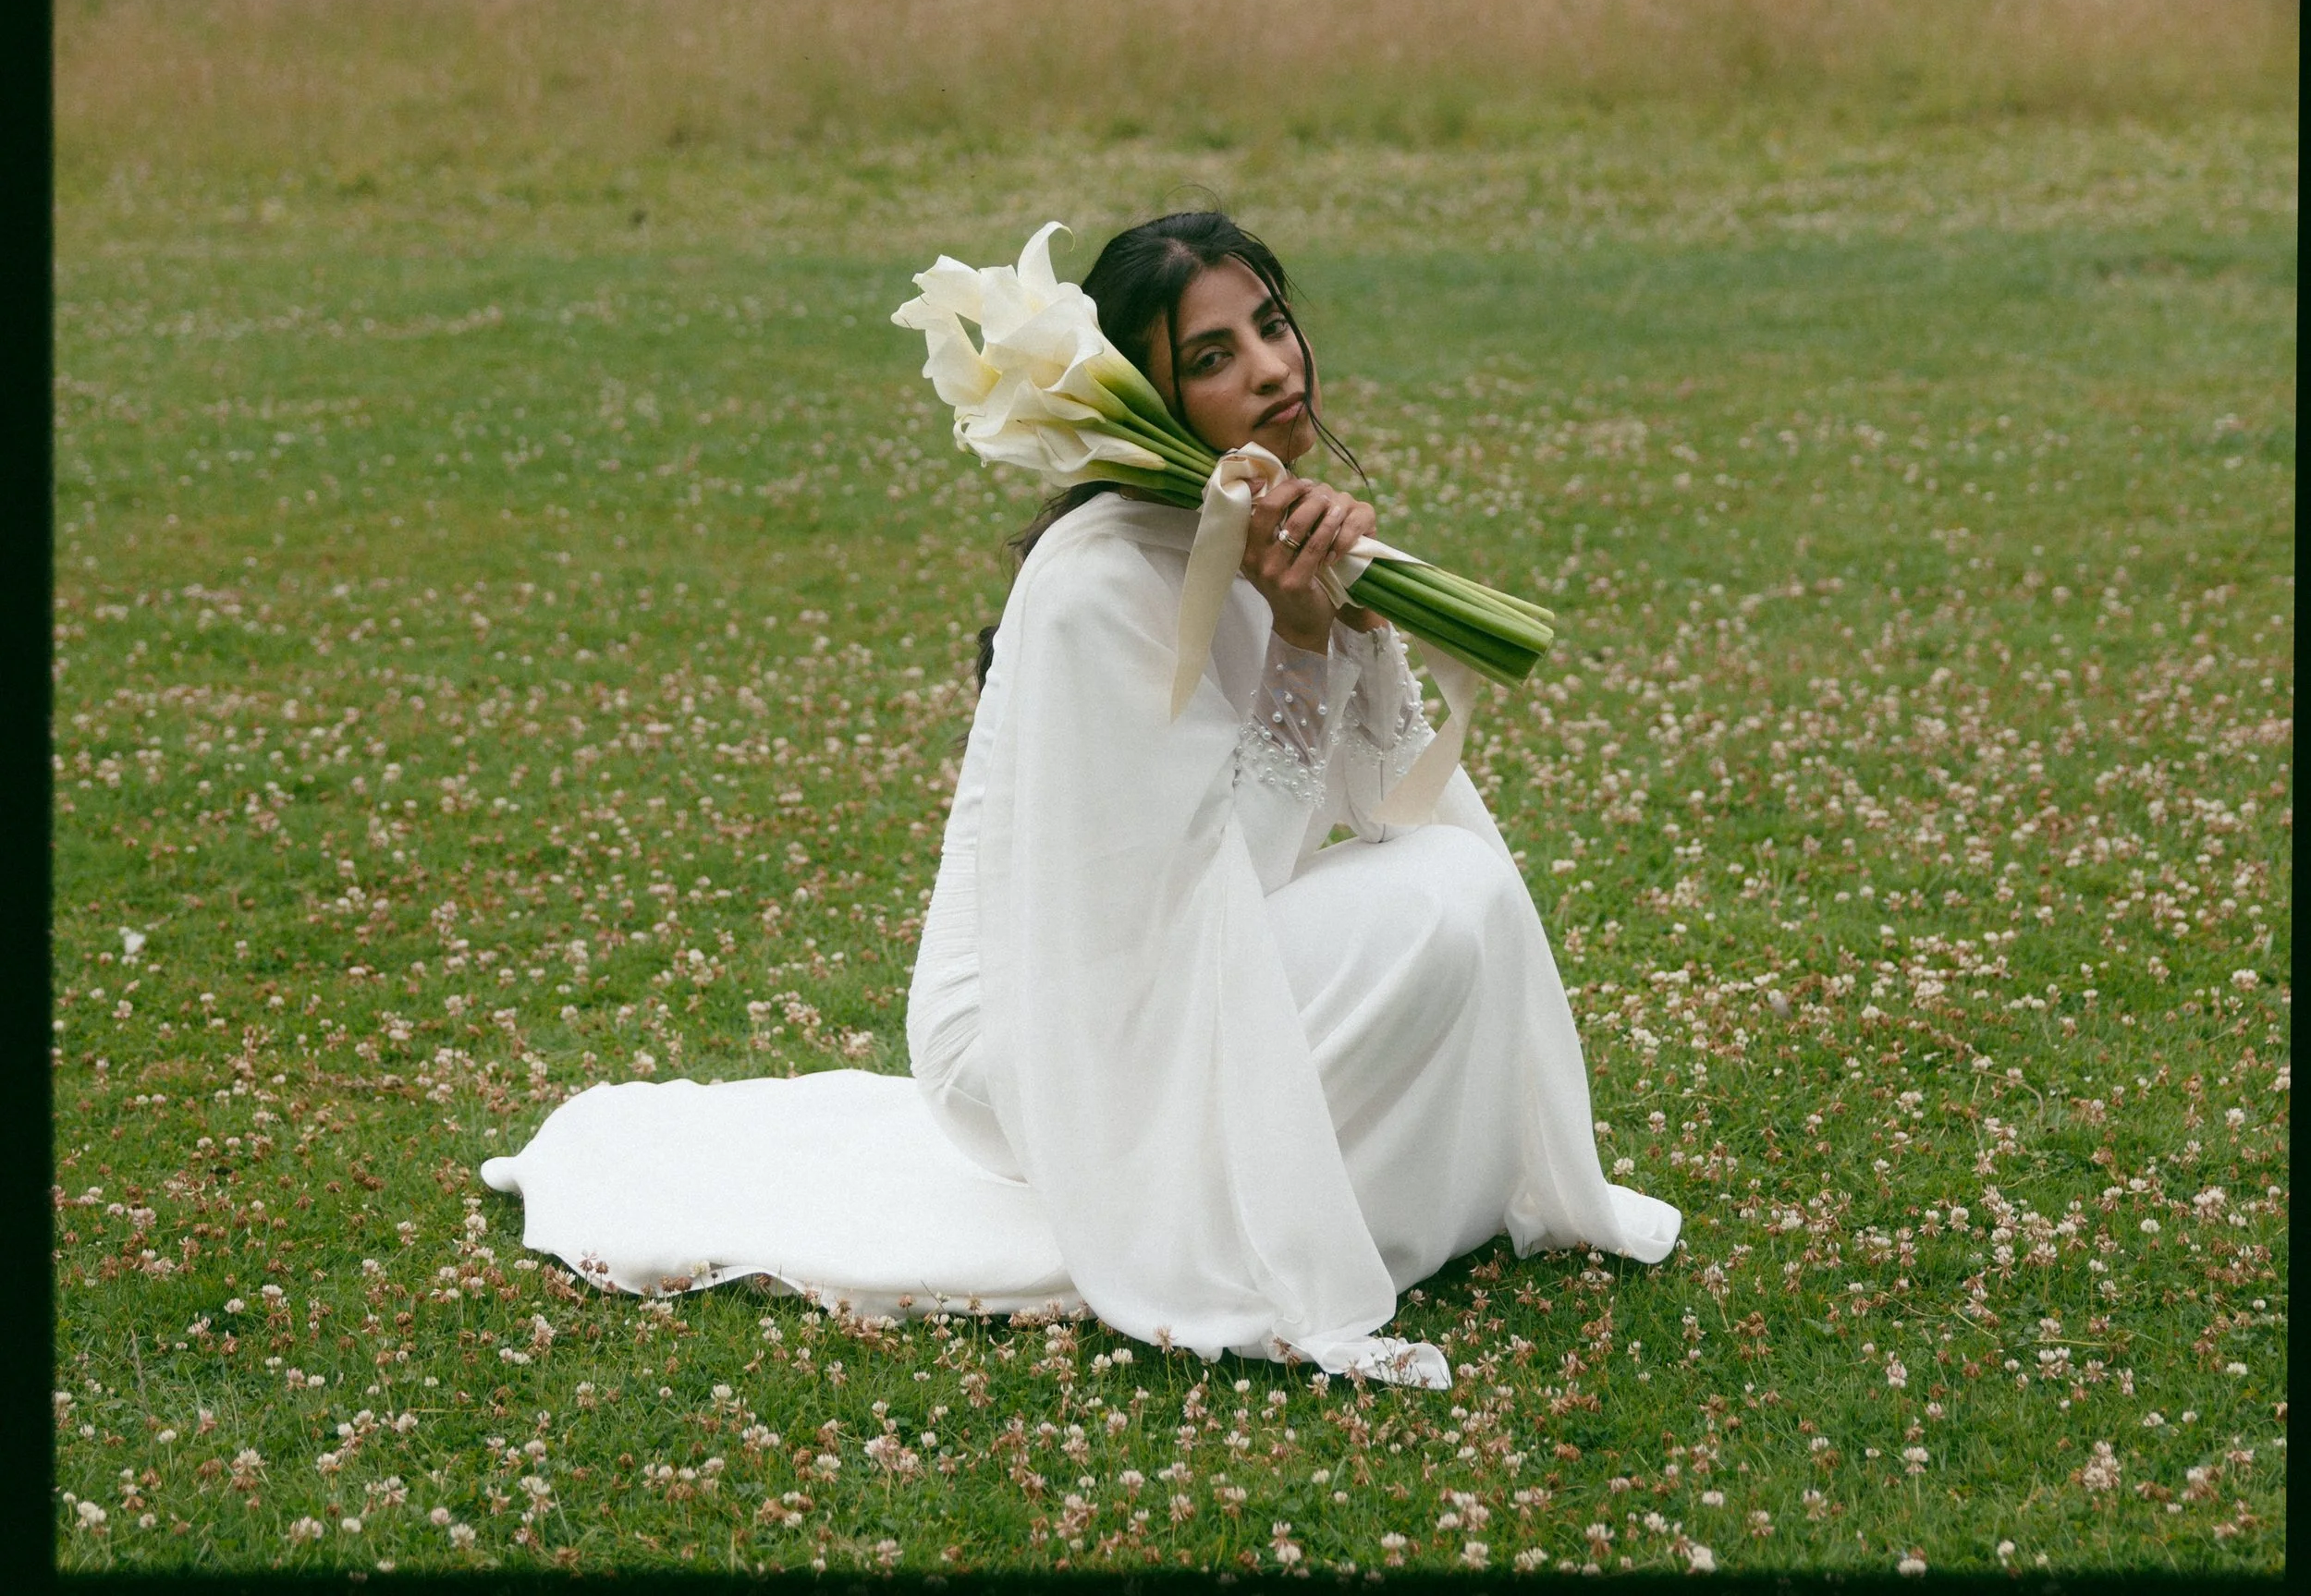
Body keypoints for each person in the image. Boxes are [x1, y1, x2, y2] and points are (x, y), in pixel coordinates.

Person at [481, 211, 1677, 1385]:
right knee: (1444, 899)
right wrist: (1305, 649)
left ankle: (1350, 1206)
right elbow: (1214, 886)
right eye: (1212, 358)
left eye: (1271, 327)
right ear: (1145, 405)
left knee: (1454, 890)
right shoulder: (1095, 585)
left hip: (1187, 952)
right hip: (1026, 1040)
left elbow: (1387, 812)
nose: (1269, 370)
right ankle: (1248, 1221)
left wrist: (1357, 623)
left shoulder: (1262, 524)